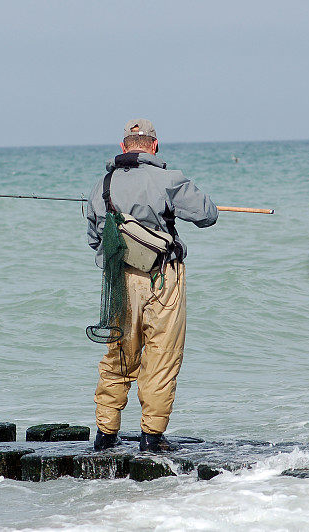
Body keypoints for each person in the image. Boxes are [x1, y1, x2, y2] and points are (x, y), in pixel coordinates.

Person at [86, 118, 218, 452]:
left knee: (118, 353)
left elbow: (94, 239)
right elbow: (207, 214)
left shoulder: (101, 185)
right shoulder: (170, 179)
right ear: (154, 146)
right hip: (164, 276)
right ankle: (151, 437)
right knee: (161, 355)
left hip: (119, 279)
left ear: (123, 147)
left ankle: (105, 435)